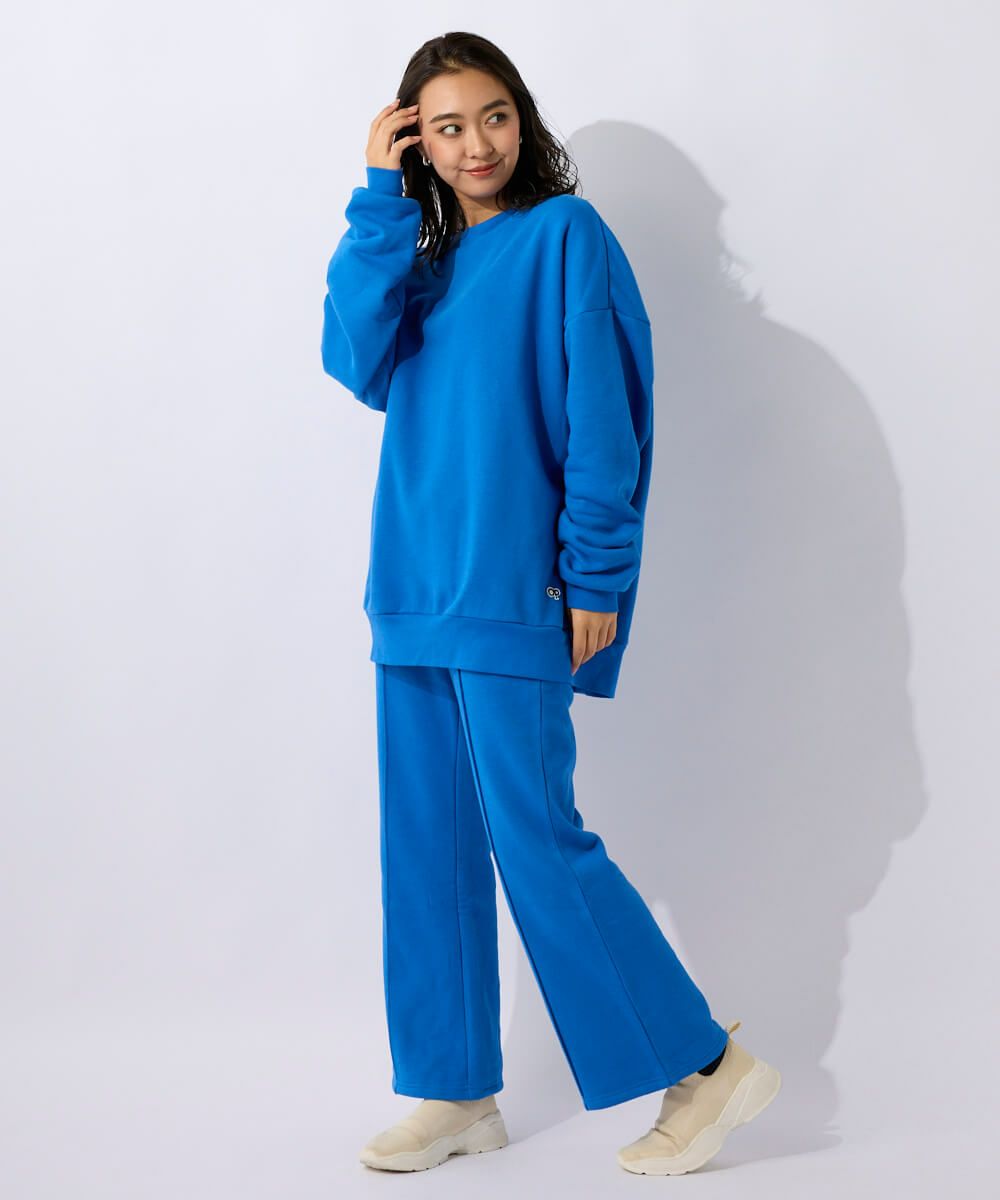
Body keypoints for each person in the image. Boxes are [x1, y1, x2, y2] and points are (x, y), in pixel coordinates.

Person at [321, 31, 781, 1176]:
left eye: (493, 116)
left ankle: (708, 1068)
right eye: (444, 127)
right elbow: (351, 360)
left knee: (538, 840)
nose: (474, 144)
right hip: (413, 591)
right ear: (415, 143)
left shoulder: (565, 236)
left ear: (521, 121)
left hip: (516, 591)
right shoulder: (417, 265)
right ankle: (454, 1092)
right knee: (426, 851)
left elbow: (605, 424)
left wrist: (596, 576)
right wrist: (377, 199)